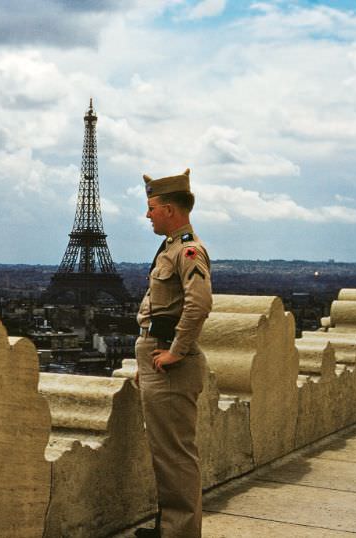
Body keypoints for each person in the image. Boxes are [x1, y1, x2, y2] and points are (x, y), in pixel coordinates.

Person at [134, 168, 212, 537]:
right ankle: (171, 527)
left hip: (169, 360)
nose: (147, 215)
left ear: (169, 209)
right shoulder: (171, 248)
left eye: (151, 207)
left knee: (176, 455)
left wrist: (176, 353)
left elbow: (198, 305)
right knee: (166, 454)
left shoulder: (188, 250)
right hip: (157, 356)